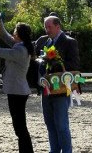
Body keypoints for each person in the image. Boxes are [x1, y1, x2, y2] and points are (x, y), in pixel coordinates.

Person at [35, 14, 80, 153]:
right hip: (46, 90)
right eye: (45, 27)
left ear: (57, 26)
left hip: (60, 90)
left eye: (49, 27)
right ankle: (54, 150)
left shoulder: (69, 41)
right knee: (50, 124)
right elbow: (42, 65)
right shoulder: (46, 42)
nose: (47, 30)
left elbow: (75, 65)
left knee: (61, 125)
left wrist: (55, 62)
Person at [0, 20, 35, 153]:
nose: (12, 34)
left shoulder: (20, 50)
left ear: (19, 35)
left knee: (20, 127)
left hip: (17, 92)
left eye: (14, 32)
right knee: (19, 127)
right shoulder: (21, 45)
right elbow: (4, 36)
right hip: (17, 91)